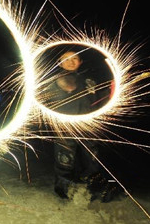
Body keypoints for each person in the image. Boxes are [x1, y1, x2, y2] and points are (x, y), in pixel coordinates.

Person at [45, 50, 116, 202]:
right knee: (65, 160)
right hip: (64, 127)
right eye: (66, 59)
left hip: (87, 127)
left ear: (80, 62)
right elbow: (43, 103)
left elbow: (101, 99)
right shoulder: (51, 82)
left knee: (92, 159)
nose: (71, 62)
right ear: (60, 62)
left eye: (75, 58)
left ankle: (91, 187)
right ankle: (63, 189)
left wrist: (113, 89)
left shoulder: (89, 81)